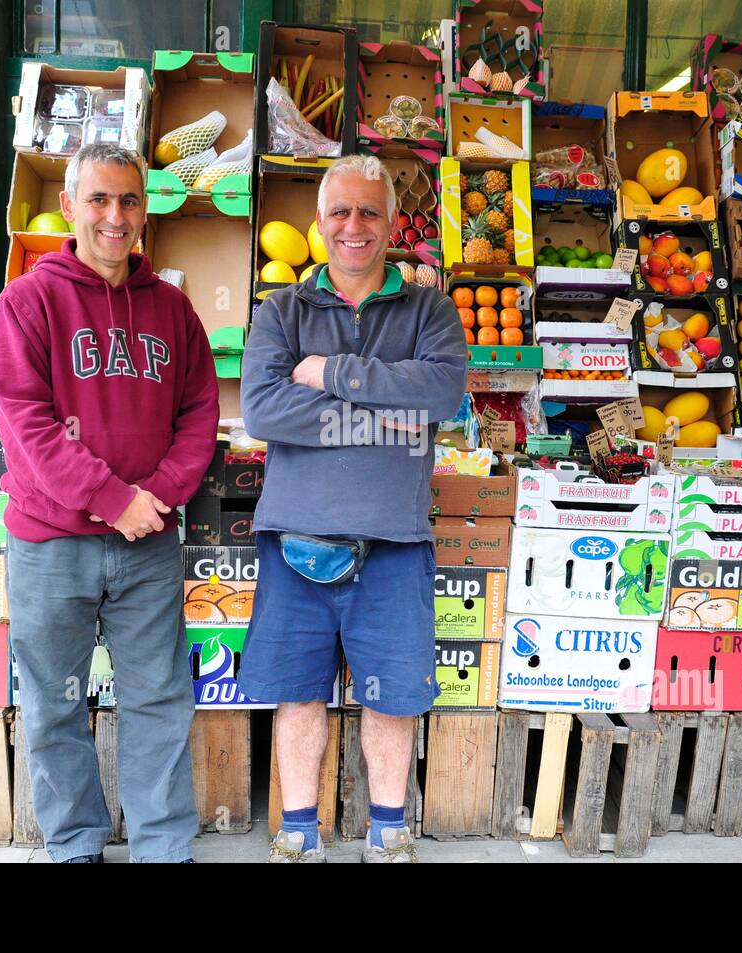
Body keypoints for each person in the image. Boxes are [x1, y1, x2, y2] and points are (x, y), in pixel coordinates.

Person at [0, 142, 220, 863]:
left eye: (128, 201)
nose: (115, 217)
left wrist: (154, 498)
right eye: (99, 199)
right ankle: (74, 845)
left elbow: (200, 417)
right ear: (69, 207)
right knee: (55, 702)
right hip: (49, 541)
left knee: (157, 701)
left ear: (145, 210)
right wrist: (112, 498)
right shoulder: (28, 302)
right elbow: (24, 424)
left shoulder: (175, 311)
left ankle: (162, 847)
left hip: (147, 543)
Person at [237, 154, 467, 863]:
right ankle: (299, 833)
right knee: (299, 693)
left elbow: (438, 398)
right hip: (294, 541)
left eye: (369, 212)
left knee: (393, 695)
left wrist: (331, 374)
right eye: (340, 212)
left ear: (393, 222)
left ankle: (389, 831)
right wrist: (386, 413)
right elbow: (262, 409)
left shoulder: (429, 309)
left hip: (394, 542)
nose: (354, 226)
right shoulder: (282, 309)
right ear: (318, 222)